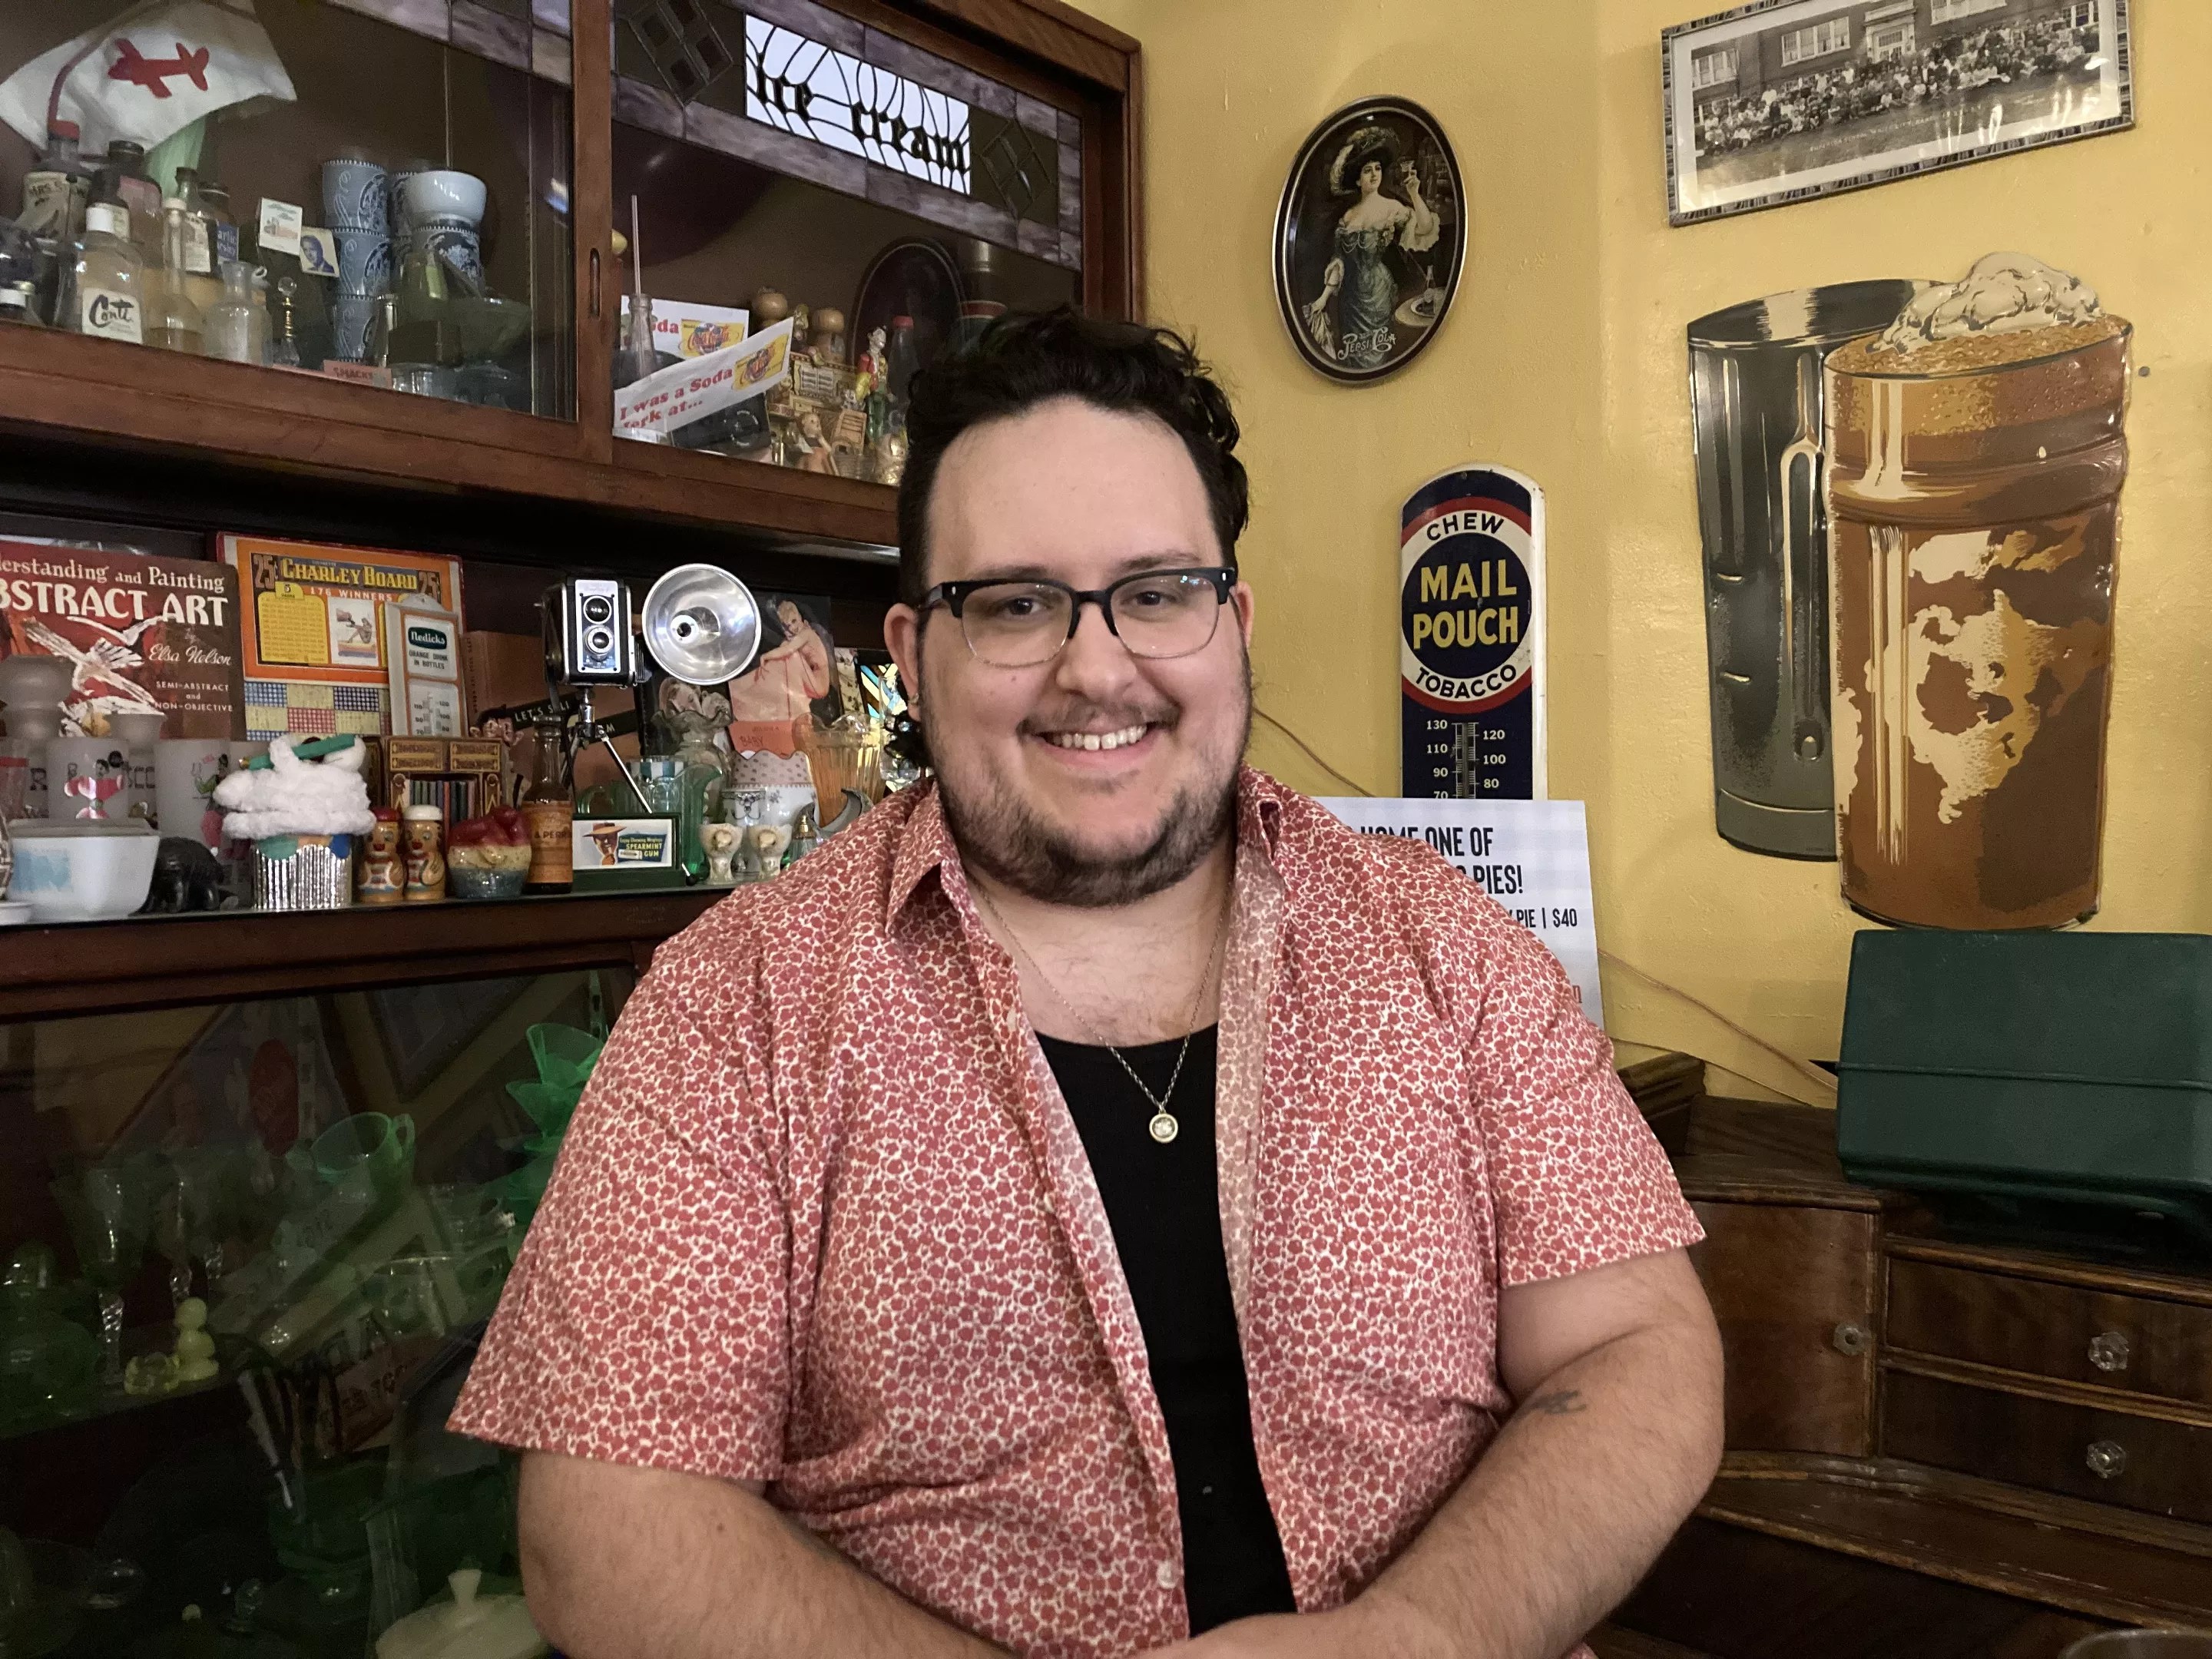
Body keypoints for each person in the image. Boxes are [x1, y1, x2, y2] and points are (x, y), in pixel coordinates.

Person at [452, 308, 1724, 1658]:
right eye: (1012, 604)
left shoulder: (1446, 948)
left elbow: (1638, 1352)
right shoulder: (734, 1007)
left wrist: (1425, 1637)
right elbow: (605, 1528)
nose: (1097, 666)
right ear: (911, 650)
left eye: (1158, 592)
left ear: (1233, 621)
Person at [1300, 126, 1438, 371]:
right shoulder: (1348, 217)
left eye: (1377, 169)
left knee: (1378, 361)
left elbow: (1425, 228)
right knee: (1353, 362)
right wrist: (1322, 300)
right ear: (1357, 179)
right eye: (1367, 170)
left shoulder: (1390, 208)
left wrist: (1415, 194)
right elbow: (1339, 263)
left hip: (1378, 296)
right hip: (1349, 302)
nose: (1374, 175)